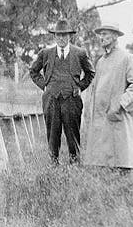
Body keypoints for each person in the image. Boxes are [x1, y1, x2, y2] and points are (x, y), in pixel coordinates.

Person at [29, 19, 95, 164]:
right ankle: (53, 164)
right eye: (58, 35)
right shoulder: (45, 53)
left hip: (72, 99)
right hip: (51, 100)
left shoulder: (80, 53)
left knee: (73, 134)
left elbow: (91, 73)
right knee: (52, 134)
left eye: (64, 35)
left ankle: (75, 164)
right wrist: (44, 86)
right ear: (54, 37)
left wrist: (80, 87)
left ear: (69, 36)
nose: (61, 38)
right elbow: (33, 71)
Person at [83, 23, 133, 172]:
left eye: (105, 34)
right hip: (101, 118)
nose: (101, 37)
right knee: (101, 163)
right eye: (100, 34)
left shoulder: (127, 58)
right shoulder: (101, 61)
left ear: (115, 36)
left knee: (121, 160)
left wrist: (120, 104)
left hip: (119, 117)